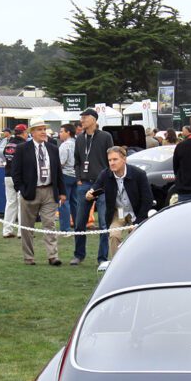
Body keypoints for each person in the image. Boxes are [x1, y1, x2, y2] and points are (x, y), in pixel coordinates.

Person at [84, 146, 152, 266]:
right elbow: (96, 186)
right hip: (117, 213)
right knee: (114, 235)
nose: (112, 163)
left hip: (136, 213)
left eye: (115, 159)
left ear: (124, 159)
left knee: (135, 237)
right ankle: (117, 266)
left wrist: (138, 222)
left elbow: (147, 200)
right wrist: (90, 193)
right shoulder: (105, 174)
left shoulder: (139, 174)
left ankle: (137, 263)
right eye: (110, 160)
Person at [10, 121, 66, 265]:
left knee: (50, 224)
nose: (43, 132)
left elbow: (58, 171)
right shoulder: (23, 149)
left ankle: (53, 256)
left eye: (44, 130)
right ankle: (29, 257)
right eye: (40, 130)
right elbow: (15, 172)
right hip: (30, 192)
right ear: (32, 132)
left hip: (49, 191)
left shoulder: (53, 148)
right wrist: (21, 189)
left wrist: (62, 191)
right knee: (27, 227)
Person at [72, 109, 113, 265]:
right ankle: (79, 255)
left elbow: (110, 159)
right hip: (84, 183)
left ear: (94, 119)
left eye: (85, 117)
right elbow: (77, 161)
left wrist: (107, 179)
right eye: (81, 117)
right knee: (80, 222)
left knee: (103, 222)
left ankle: (102, 258)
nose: (82, 120)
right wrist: (78, 178)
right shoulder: (79, 139)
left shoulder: (105, 137)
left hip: (102, 184)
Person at [56, 123, 77, 230]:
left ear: (68, 132)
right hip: (76, 176)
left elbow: (61, 162)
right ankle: (78, 226)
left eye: (61, 131)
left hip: (66, 175)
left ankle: (65, 228)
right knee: (75, 202)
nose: (59, 134)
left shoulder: (65, 145)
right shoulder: (77, 143)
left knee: (64, 202)